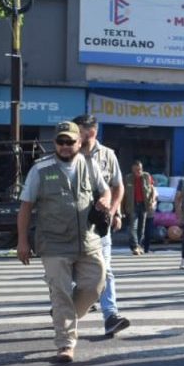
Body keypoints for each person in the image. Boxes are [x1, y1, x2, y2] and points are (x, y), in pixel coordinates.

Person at [17, 121, 111, 363]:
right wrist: (22, 240)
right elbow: (26, 206)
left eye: (71, 142)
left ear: (79, 142)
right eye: (61, 142)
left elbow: (105, 191)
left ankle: (64, 316)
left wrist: (106, 201)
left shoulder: (90, 165)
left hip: (87, 240)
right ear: (55, 144)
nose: (66, 146)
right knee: (60, 294)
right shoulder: (40, 169)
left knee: (96, 283)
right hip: (54, 242)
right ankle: (65, 344)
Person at [73, 114, 130, 338]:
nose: (75, 136)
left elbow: (118, 186)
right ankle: (71, 307)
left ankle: (110, 316)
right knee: (69, 269)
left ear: (92, 132)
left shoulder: (107, 155)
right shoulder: (69, 152)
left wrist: (114, 211)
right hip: (71, 223)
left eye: (79, 131)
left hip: (99, 224)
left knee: (105, 269)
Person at [124, 160, 155, 255]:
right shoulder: (127, 178)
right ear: (132, 169)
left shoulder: (147, 176)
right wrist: (121, 208)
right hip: (132, 205)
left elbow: (152, 189)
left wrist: (152, 201)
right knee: (133, 227)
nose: (139, 171)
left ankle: (138, 245)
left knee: (142, 228)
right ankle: (134, 246)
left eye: (140, 169)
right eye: (137, 169)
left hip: (144, 205)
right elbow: (123, 194)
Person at [142, 172, 157, 254]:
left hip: (150, 213)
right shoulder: (143, 188)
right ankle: (142, 247)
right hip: (144, 212)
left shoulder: (152, 188)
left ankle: (146, 248)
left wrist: (152, 204)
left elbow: (154, 199)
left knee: (147, 231)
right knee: (143, 231)